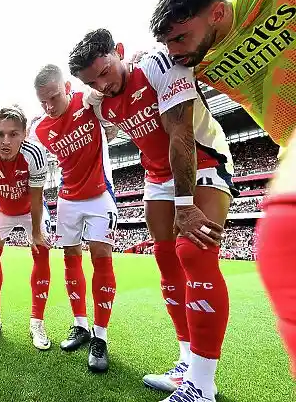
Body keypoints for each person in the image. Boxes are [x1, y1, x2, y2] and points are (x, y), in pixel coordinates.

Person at [69, 29, 235, 402]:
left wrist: (185, 204)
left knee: (194, 253)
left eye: (105, 71)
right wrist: (86, 93)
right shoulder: (101, 98)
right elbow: (87, 103)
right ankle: (186, 363)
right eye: (92, 81)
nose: (103, 84)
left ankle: (202, 386)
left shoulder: (158, 64)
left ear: (120, 52)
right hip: (156, 176)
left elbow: (179, 133)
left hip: (203, 160)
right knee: (166, 258)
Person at [149, 0, 296, 379]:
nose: (173, 51)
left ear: (216, 12)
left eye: (179, 38)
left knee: (281, 239)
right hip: (289, 145)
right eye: (166, 43)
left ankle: (200, 383)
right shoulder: (193, 60)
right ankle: (193, 373)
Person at [30, 64, 118, 372]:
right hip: (67, 198)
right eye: (43, 101)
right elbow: (27, 155)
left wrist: (110, 124)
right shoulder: (40, 128)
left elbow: (112, 114)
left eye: (53, 97)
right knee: (70, 257)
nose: (49, 106)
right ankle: (80, 325)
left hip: (99, 194)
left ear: (66, 87)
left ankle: (101, 336)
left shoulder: (87, 100)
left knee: (101, 256)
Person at [0, 106, 52, 350]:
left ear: (24, 134)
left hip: (31, 209)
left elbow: (37, 198)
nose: (6, 141)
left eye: (13, 134)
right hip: (3, 209)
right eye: (0, 134)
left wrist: (37, 233)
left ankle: (37, 323)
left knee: (41, 250)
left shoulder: (35, 154)